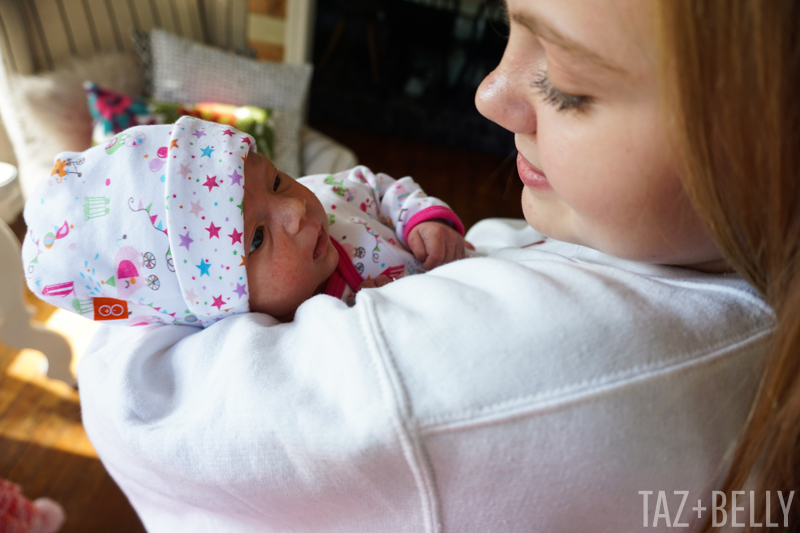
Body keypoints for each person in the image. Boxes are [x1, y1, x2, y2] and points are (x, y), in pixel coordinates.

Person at [70, 0, 791, 531]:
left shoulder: (451, 378)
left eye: (568, 82)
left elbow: (144, 402)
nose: (488, 92)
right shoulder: (687, 267)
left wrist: (426, 219)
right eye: (512, 28)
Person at [21, 116, 466, 326]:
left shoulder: (333, 196)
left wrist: (422, 220)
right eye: (255, 239)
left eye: (274, 181)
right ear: (221, 305)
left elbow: (377, 186)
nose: (295, 211)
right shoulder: (281, 338)